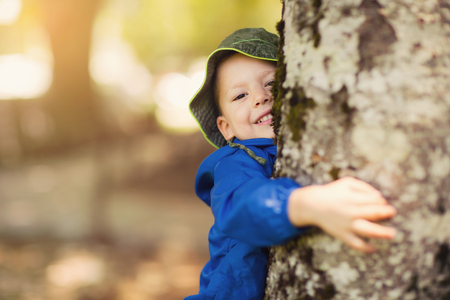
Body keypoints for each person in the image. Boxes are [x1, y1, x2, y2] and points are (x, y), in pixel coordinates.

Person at [186, 28, 397, 300]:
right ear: (226, 128)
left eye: (271, 84)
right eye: (240, 96)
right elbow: (238, 205)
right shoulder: (235, 161)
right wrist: (306, 204)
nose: (260, 97)